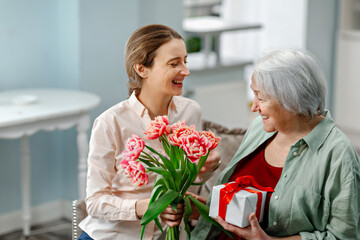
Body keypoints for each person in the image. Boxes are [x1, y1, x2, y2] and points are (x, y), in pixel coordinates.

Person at [190, 49, 360, 239]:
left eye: (261, 98)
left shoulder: (338, 154)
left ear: (292, 99)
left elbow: (344, 236)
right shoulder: (259, 128)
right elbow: (252, 210)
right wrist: (207, 210)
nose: (254, 107)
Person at [78, 24, 220, 240]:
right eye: (174, 63)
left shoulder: (191, 111)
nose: (186, 71)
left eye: (185, 61)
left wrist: (206, 166)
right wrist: (151, 207)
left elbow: (186, 181)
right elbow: (95, 202)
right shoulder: (110, 123)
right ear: (142, 69)